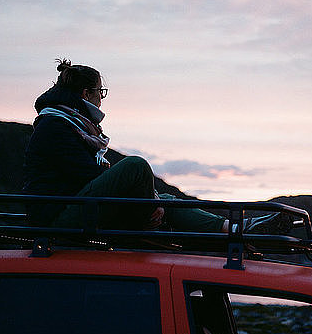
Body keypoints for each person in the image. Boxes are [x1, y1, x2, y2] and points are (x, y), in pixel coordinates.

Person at [23, 59, 292, 235]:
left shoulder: (70, 124)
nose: (102, 100)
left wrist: (147, 200)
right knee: (135, 166)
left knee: (166, 199)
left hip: (74, 207)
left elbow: (87, 179)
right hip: (56, 220)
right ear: (86, 95)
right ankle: (150, 215)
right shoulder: (54, 126)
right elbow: (86, 177)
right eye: (100, 93)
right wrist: (141, 202)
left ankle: (235, 229)